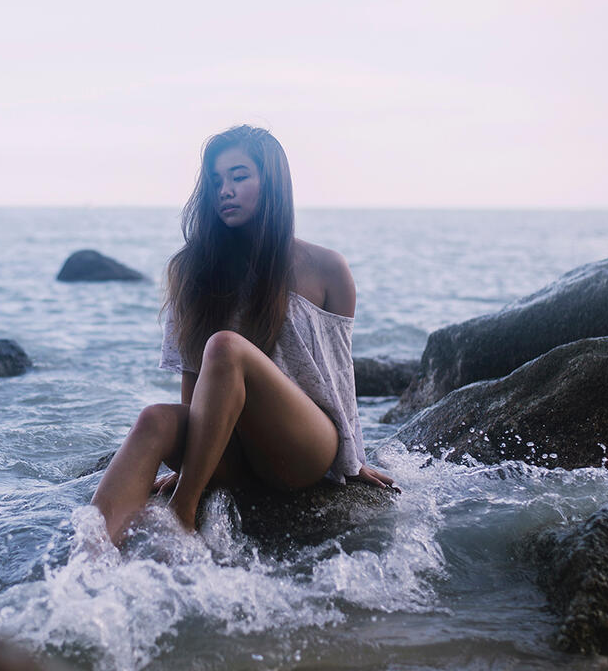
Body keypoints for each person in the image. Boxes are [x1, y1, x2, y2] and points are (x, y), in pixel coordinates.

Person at [91, 125, 395, 544]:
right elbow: (193, 379)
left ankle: (183, 509)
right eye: (216, 181)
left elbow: (339, 373)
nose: (224, 191)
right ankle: (88, 560)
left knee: (226, 347)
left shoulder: (327, 269)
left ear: (271, 183)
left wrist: (353, 459)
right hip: (231, 446)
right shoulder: (192, 270)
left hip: (303, 445)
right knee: (153, 419)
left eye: (238, 176)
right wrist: (187, 459)